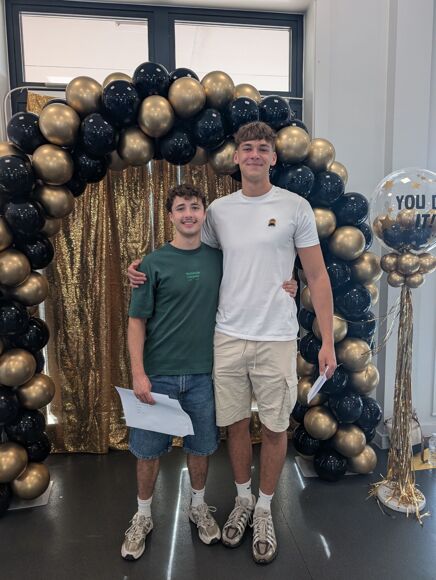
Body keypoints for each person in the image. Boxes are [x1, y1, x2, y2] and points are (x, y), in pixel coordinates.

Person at [128, 121, 336, 565]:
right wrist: (142, 268)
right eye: (248, 148)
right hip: (226, 337)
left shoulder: (295, 206)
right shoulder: (219, 212)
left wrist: (327, 341)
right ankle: (243, 500)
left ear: (273, 157)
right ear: (237, 157)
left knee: (275, 428)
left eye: (263, 148)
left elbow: (317, 276)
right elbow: (190, 252)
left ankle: (264, 508)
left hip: (276, 336)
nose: (255, 154)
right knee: (236, 425)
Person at [122, 184, 223, 561]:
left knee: (201, 447)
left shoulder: (220, 259)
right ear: (170, 216)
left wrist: (289, 284)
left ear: (203, 213)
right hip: (159, 375)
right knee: (148, 452)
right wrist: (138, 374)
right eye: (180, 208)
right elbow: (136, 321)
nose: (188, 214)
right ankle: (143, 515)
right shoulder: (151, 264)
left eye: (194, 207)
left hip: (203, 376)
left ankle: (198, 506)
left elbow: (253, 282)